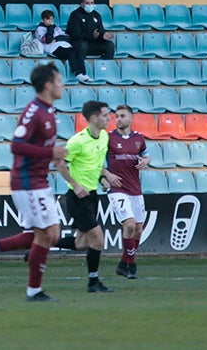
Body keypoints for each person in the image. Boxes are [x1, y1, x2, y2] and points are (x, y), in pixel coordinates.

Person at [0, 63, 68, 302]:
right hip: (26, 183)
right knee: (47, 234)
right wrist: (51, 154)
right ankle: (33, 291)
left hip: (40, 181)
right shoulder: (33, 111)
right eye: (58, 81)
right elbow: (16, 146)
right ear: (47, 85)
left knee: (49, 234)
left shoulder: (48, 111)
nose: (62, 85)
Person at [54, 100, 115, 294]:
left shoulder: (104, 137)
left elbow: (96, 165)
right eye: (105, 115)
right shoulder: (77, 141)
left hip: (92, 196)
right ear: (93, 118)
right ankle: (93, 282)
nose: (109, 118)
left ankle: (42, 243)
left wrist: (103, 178)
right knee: (98, 239)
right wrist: (75, 184)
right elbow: (60, 163)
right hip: (77, 198)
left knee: (82, 244)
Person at [107, 104, 149, 279]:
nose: (118, 119)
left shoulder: (139, 138)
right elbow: (96, 163)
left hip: (135, 188)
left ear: (131, 118)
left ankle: (124, 263)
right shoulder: (107, 138)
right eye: (117, 116)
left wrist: (146, 161)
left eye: (122, 116)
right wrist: (107, 175)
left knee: (138, 229)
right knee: (130, 225)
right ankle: (131, 266)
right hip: (117, 188)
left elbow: (146, 154)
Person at [66, 0, 115, 82]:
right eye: (87, 3)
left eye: (92, 3)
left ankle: (105, 71)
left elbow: (100, 30)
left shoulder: (96, 15)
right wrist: (91, 36)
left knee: (109, 46)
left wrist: (103, 36)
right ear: (82, 4)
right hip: (79, 44)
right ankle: (82, 73)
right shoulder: (75, 15)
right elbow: (75, 34)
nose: (90, 5)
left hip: (92, 45)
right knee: (81, 45)